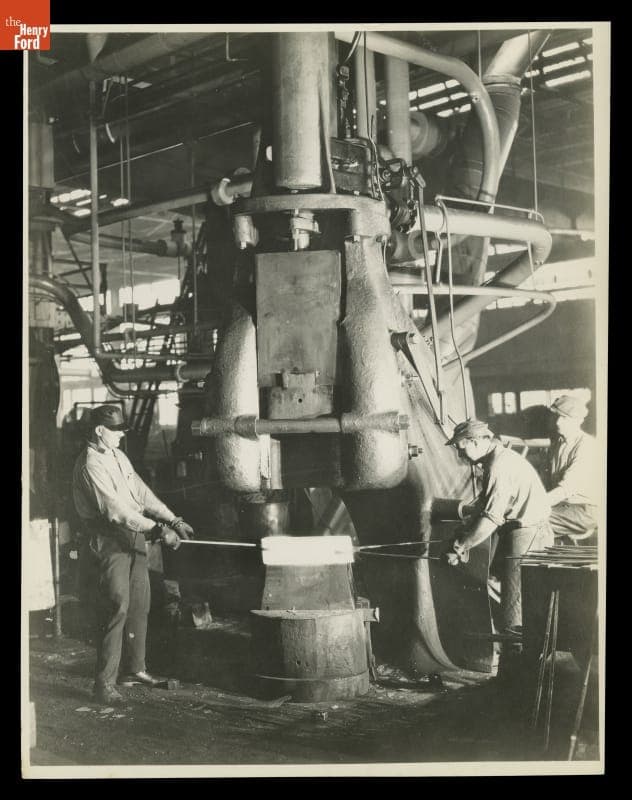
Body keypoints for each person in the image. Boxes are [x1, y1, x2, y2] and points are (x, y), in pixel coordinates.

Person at [72, 404, 195, 706]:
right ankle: (103, 685)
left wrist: (172, 519)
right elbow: (115, 511)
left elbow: (140, 493)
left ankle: (135, 670)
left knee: (140, 604)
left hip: (136, 535)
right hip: (109, 539)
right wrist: (156, 531)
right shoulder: (90, 465)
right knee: (118, 607)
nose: (121, 434)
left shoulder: (117, 455)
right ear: (99, 431)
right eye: (115, 430)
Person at [445, 419, 553, 637]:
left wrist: (460, 547)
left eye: (461, 448)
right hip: (522, 528)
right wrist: (466, 529)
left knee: (515, 608)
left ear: (474, 442)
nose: (460, 455)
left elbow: (491, 520)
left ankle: (516, 666)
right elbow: (487, 507)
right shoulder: (496, 459)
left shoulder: (498, 467)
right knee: (509, 596)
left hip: (529, 532)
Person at [544, 395, 598, 541]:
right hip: (563, 506)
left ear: (578, 421)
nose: (558, 422)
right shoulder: (558, 443)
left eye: (564, 418)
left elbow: (566, 489)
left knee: (533, 519)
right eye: (557, 416)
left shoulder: (586, 445)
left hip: (585, 510)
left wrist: (535, 503)